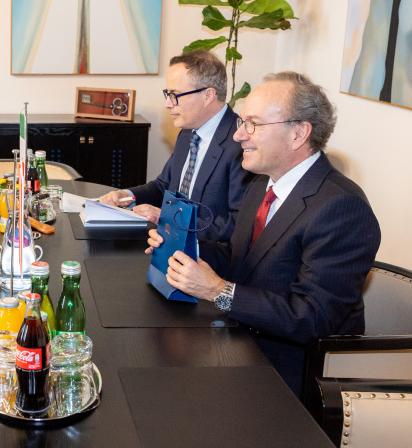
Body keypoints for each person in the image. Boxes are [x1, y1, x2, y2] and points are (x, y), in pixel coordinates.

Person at [146, 72, 381, 396]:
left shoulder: (342, 208)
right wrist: (183, 248)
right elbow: (242, 258)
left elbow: (313, 318)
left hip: (292, 371)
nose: (239, 135)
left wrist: (218, 290)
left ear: (298, 133)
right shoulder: (261, 184)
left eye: (253, 124)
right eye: (242, 122)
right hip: (242, 338)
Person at [99, 50, 252, 242]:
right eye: (167, 94)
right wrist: (127, 196)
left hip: (208, 255)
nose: (167, 104)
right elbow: (164, 186)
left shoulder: (242, 143)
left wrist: (169, 219)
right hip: (170, 240)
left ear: (208, 95)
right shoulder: (188, 132)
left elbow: (237, 224)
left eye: (175, 95)